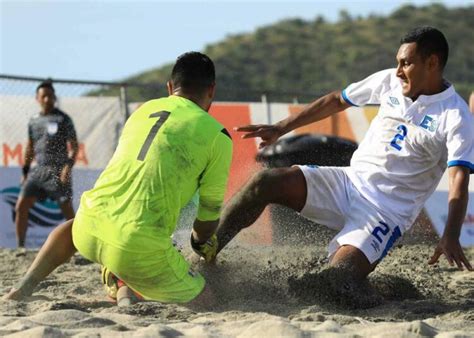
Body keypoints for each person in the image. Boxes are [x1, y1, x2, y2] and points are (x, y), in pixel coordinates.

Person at [215, 26, 473, 284]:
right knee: (264, 182)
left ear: (432, 62)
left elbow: (458, 179)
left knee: (337, 282)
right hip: (346, 182)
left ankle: (384, 289)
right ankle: (206, 253)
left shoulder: (455, 115)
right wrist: (281, 127)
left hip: (385, 212)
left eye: (406, 64)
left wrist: (450, 234)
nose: (397, 71)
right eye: (397, 63)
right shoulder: (389, 82)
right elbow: (337, 100)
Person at [3, 52, 233, 306]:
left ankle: (24, 287)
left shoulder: (142, 110)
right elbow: (208, 218)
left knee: (73, 226)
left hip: (88, 230)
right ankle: (123, 280)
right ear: (211, 90)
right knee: (209, 300)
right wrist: (202, 244)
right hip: (135, 247)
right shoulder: (218, 136)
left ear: (169, 88)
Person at [15, 81, 78, 248]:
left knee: (68, 213)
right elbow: (29, 147)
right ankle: (20, 247)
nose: (48, 99)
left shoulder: (63, 119)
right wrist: (25, 171)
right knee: (21, 205)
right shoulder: (33, 121)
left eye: (51, 96)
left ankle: (79, 246)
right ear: (37, 98)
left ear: (54, 97)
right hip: (38, 170)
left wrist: (67, 167)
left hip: (58, 170)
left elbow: (74, 147)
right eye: (44, 96)